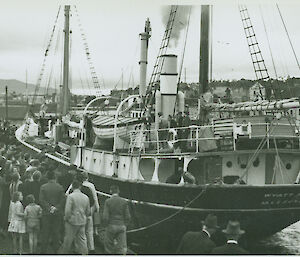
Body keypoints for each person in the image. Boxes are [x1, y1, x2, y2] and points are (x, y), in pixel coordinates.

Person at [60, 180, 90, 255]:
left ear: (72, 187)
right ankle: (84, 254)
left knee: (68, 240)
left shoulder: (70, 197)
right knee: (82, 240)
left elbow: (67, 211)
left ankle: (64, 254)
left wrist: (66, 218)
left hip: (72, 221)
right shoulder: (86, 197)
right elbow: (88, 211)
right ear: (80, 187)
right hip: (82, 221)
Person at [39, 170, 65, 254]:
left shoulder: (43, 187)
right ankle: (56, 251)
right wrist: (56, 208)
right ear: (55, 177)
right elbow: (63, 200)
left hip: (46, 213)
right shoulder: (60, 187)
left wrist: (49, 207)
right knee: (56, 233)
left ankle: (43, 252)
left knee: (45, 232)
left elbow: (41, 200)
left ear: (47, 177)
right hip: (57, 214)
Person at [103, 185, 131, 255]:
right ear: (118, 191)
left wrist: (105, 225)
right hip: (121, 225)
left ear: (110, 191)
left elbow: (105, 217)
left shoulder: (108, 201)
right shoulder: (124, 201)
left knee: (108, 247)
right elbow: (128, 217)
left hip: (111, 225)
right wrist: (125, 225)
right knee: (122, 248)